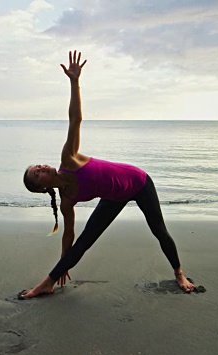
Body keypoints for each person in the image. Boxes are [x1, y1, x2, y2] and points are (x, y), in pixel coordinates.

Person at [20, 50, 195, 299]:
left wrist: (74, 81)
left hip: (138, 182)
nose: (41, 169)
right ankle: (46, 284)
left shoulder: (68, 159)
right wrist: (64, 263)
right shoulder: (67, 200)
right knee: (85, 241)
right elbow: (69, 235)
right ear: (42, 188)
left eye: (38, 167)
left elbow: (75, 119)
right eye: (37, 175)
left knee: (159, 230)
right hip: (114, 197)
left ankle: (179, 273)